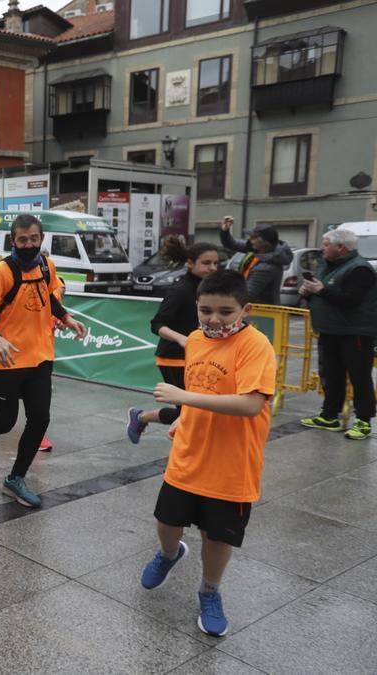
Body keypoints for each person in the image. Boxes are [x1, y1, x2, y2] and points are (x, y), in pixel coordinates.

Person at [140, 270, 276, 638]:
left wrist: (182, 399)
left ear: (245, 310)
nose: (214, 320)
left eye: (225, 312)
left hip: (233, 465)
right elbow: (202, 387)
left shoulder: (256, 345)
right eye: (205, 311)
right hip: (188, 455)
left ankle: (210, 591)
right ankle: (170, 554)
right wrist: (184, 419)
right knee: (167, 523)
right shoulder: (197, 341)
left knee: (218, 538)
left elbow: (250, 404)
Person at [0, 214, 86, 508]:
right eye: (22, 240)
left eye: (34, 239)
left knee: (40, 418)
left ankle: (14, 479)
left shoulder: (47, 266)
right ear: (13, 240)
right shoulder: (2, 271)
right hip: (7, 358)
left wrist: (66, 317)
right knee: (4, 421)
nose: (28, 244)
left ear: (41, 238)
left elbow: (50, 299)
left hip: (40, 356)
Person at [128, 242, 221, 442]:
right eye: (206, 263)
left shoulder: (208, 288)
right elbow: (157, 324)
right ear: (190, 263)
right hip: (174, 359)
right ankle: (143, 417)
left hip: (198, 358)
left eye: (216, 263)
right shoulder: (180, 290)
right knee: (190, 413)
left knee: (192, 411)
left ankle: (141, 416)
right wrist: (182, 339)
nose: (212, 268)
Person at [299, 228, 377, 440]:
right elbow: (322, 294)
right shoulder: (328, 265)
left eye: (326, 245)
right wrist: (308, 293)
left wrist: (321, 291)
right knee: (331, 375)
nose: (322, 249)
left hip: (355, 332)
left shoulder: (360, 269)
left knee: (359, 377)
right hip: (329, 330)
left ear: (340, 247)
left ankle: (363, 421)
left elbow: (351, 300)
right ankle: (329, 416)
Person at [219, 216, 292, 305]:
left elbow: (248, 294)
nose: (250, 240)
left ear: (264, 242)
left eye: (253, 237)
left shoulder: (266, 267)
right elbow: (231, 244)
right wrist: (225, 231)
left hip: (263, 312)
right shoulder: (258, 250)